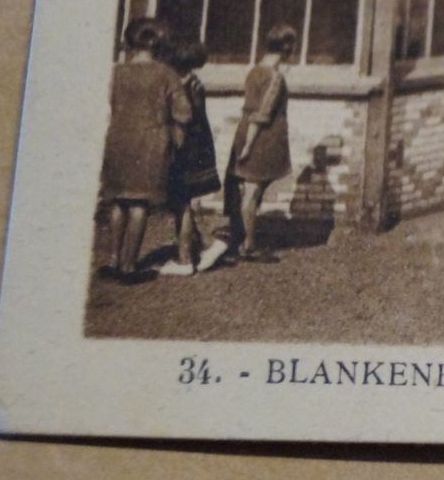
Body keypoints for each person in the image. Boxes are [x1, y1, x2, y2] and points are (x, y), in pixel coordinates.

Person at [100, 17, 190, 285]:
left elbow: (110, 103)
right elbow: (184, 112)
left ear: (129, 42)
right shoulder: (166, 74)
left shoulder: (116, 71)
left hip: (118, 139)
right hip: (150, 142)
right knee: (139, 203)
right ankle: (129, 266)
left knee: (117, 201)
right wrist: (177, 140)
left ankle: (113, 260)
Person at [226, 24, 298, 261]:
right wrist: (248, 146)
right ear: (287, 48)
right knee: (253, 190)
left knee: (250, 189)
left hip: (245, 131)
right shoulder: (275, 77)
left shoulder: (255, 70)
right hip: (261, 137)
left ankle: (243, 236)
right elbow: (262, 114)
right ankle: (249, 246)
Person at [157, 40, 229, 277]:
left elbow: (183, 120)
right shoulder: (195, 83)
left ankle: (185, 258)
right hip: (197, 148)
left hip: (185, 149)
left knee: (181, 202)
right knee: (180, 201)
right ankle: (201, 244)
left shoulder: (180, 87)